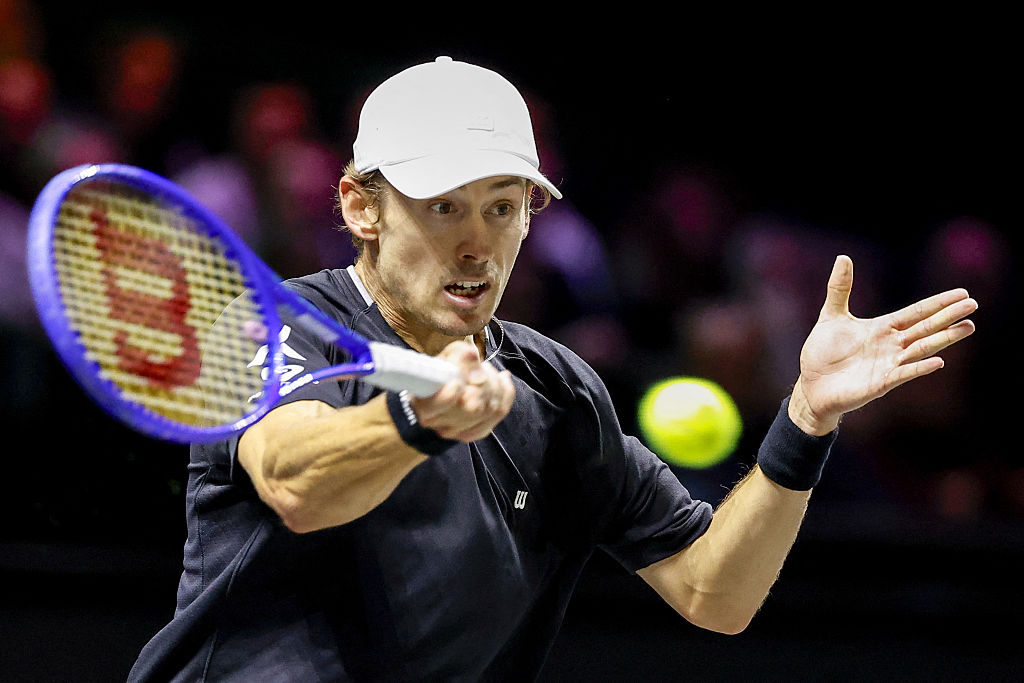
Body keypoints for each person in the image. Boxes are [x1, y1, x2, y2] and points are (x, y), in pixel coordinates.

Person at [127, 56, 977, 682]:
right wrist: (416, 421)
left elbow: (716, 594)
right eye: (442, 207)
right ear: (360, 206)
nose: (476, 242)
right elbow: (295, 482)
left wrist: (805, 418)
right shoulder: (279, 324)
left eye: (502, 207)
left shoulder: (559, 392)